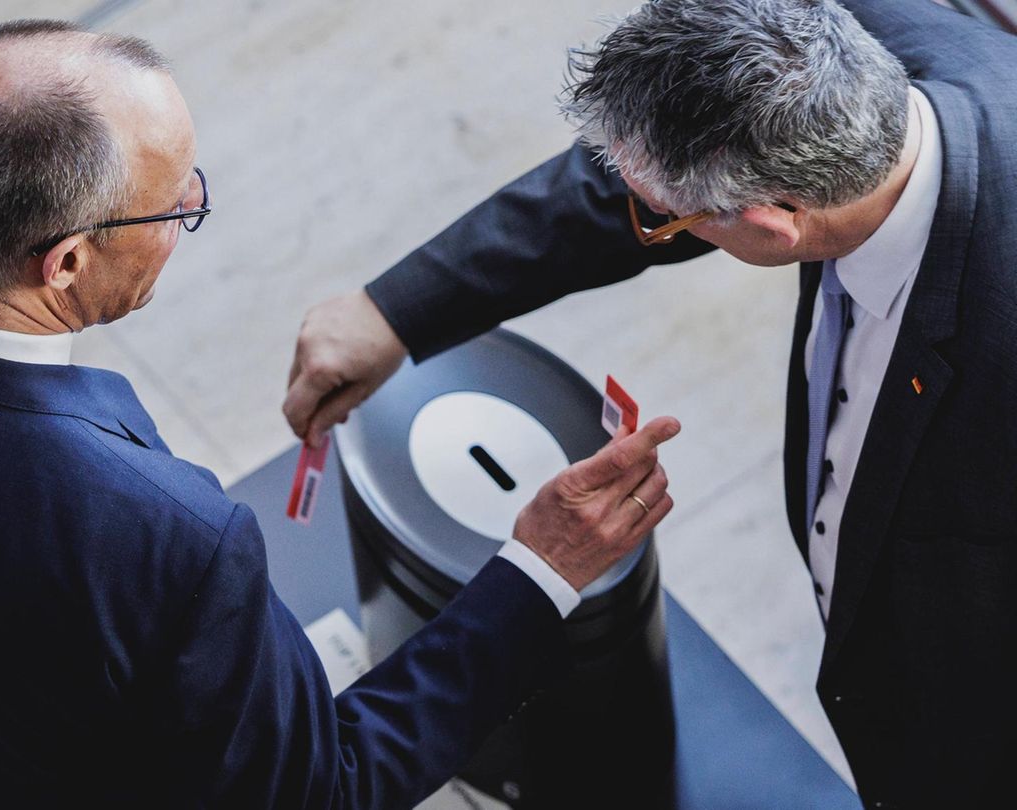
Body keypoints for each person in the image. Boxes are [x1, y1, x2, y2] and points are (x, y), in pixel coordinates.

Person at [0, 19, 681, 809]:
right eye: (179, 204)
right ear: (68, 262)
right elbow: (324, 789)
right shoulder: (167, 537)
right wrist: (540, 568)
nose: (188, 216)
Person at [284, 0, 1017, 805]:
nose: (639, 214)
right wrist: (398, 309)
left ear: (775, 226)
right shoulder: (838, 44)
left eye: (668, 222)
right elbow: (630, 182)